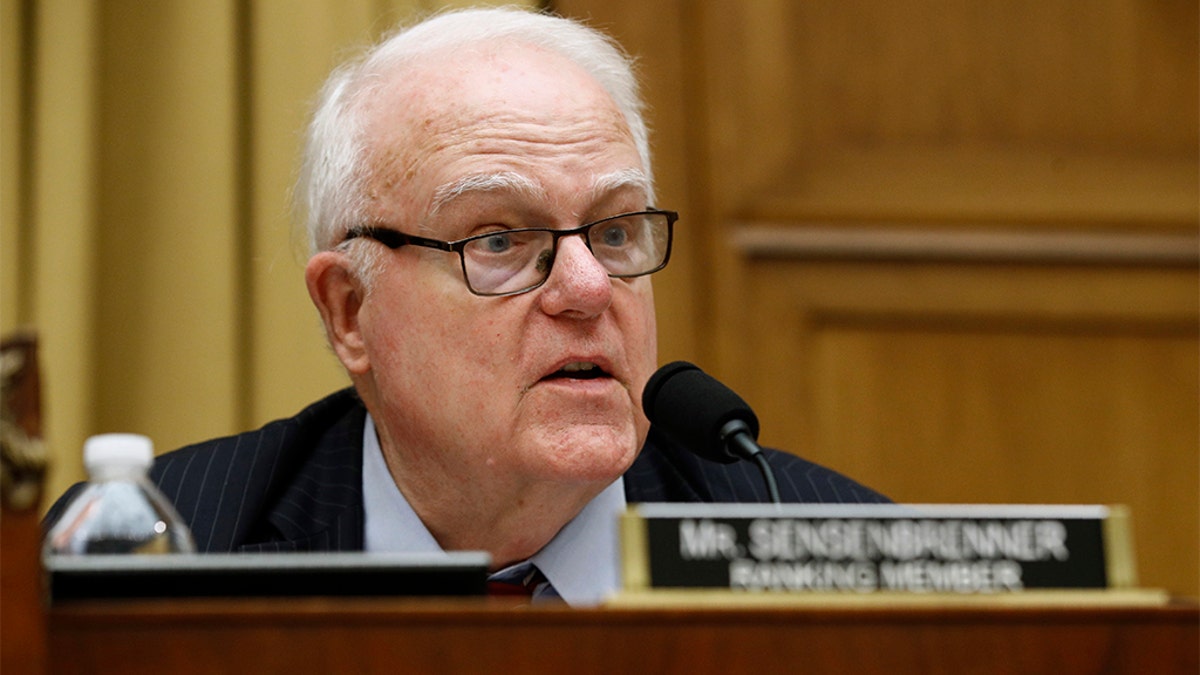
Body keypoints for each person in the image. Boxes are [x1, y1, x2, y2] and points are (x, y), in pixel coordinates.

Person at [46, 7, 887, 605]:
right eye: (498, 242)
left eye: (617, 232)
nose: (589, 288)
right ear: (348, 310)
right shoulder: (166, 550)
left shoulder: (836, 554)